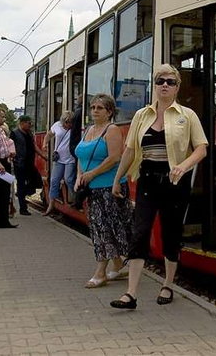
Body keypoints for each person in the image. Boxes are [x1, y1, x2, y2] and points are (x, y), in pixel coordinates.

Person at [110, 65, 208, 310]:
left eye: (171, 82)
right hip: (147, 180)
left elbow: (201, 148)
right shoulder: (142, 115)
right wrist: (118, 178)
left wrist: (183, 166)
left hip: (175, 181)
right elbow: (130, 149)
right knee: (140, 232)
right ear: (154, 85)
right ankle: (131, 293)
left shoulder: (188, 115)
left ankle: (168, 284)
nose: (165, 85)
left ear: (177, 87)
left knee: (170, 234)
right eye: (160, 81)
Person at [75, 94, 130, 288]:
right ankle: (118, 266)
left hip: (110, 188)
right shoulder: (89, 130)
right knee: (100, 228)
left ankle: (100, 273)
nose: (95, 111)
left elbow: (115, 157)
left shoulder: (112, 130)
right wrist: (79, 176)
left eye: (100, 108)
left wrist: (92, 174)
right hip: (92, 189)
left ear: (109, 112)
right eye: (92, 107)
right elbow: (81, 155)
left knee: (105, 229)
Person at [10, 115, 45, 216]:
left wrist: (42, 155)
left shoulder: (29, 133)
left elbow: (33, 146)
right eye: (29, 123)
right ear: (22, 123)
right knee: (21, 184)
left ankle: (22, 194)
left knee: (38, 181)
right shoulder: (14, 133)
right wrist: (13, 157)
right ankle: (23, 208)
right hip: (19, 163)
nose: (30, 125)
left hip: (30, 163)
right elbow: (10, 146)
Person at [42, 111, 75, 216]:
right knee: (54, 180)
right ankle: (51, 203)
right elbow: (49, 135)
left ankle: (75, 199)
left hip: (71, 158)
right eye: (66, 123)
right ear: (62, 121)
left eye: (70, 123)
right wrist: (44, 144)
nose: (68, 125)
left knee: (68, 178)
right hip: (59, 158)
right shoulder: (56, 125)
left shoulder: (74, 127)